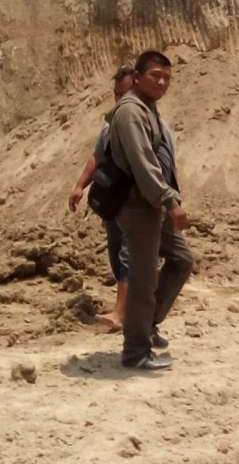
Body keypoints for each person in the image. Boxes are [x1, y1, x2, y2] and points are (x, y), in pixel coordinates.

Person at [110, 50, 193, 371]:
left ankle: (146, 325)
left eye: (167, 78)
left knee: (182, 259)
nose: (161, 82)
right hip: (139, 204)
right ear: (137, 77)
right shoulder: (131, 112)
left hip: (152, 203)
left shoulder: (148, 108)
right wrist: (170, 201)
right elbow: (144, 165)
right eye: (155, 75)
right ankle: (135, 352)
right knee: (144, 280)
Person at [69, 66, 135, 331]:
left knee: (129, 254)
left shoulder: (145, 124)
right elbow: (97, 156)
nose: (119, 100)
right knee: (117, 252)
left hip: (135, 201)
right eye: (117, 94)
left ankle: (122, 313)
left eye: (125, 94)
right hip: (113, 201)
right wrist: (79, 186)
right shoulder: (110, 126)